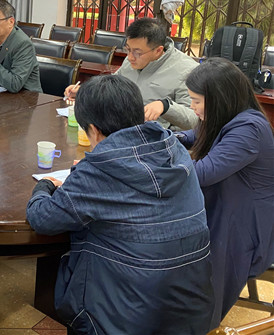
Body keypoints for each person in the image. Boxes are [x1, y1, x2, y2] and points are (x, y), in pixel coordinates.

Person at [26, 74, 213, 335]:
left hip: (123, 321)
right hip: (193, 311)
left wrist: (45, 185)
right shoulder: (174, 148)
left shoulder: (99, 170)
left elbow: (42, 219)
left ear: (93, 130)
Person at [177, 58, 274, 328]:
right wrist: (167, 140)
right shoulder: (228, 116)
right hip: (226, 207)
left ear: (219, 99)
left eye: (196, 101)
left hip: (245, 224)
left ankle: (203, 324)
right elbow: (194, 135)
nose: (192, 107)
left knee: (205, 285)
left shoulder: (249, 129)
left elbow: (201, 173)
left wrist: (156, 163)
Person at [65, 18, 198, 130]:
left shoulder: (186, 70)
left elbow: (194, 119)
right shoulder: (131, 60)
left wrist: (165, 106)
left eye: (137, 52)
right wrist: (85, 91)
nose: (130, 57)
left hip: (158, 138)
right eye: (128, 49)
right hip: (121, 129)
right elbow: (113, 86)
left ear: (158, 50)